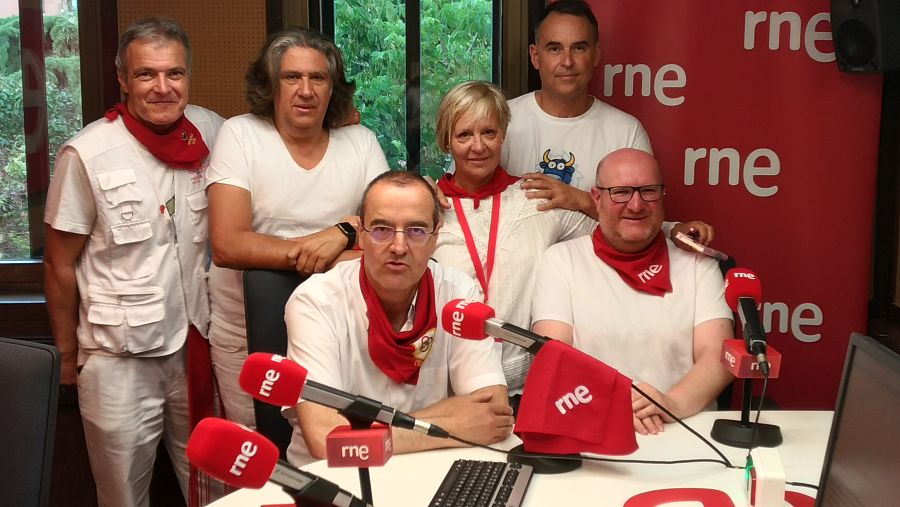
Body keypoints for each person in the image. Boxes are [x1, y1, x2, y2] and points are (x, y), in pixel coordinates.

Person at [43, 18, 223, 507]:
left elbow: (283, 137)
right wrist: (65, 356)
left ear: (189, 76)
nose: (163, 88)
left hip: (197, 343)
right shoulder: (86, 153)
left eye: (175, 74)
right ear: (122, 79)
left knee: (213, 486)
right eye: (147, 75)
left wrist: (342, 118)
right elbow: (60, 264)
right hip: (117, 357)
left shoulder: (213, 131)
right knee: (122, 493)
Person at [206, 27, 389, 429]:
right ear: (271, 85)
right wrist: (325, 244)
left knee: (333, 446)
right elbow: (229, 244)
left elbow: (387, 236)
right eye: (292, 77)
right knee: (263, 457)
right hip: (247, 332)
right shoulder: (240, 135)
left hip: (340, 324)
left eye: (317, 78)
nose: (305, 90)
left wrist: (340, 232)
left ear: (332, 88)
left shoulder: (360, 142)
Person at [284, 171, 513, 467]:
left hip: (426, 469)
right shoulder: (315, 302)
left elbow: (493, 412)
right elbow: (327, 440)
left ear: (436, 237)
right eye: (381, 229)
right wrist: (454, 425)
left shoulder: (458, 294)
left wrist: (360, 429)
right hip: (335, 479)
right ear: (362, 236)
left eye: (416, 230)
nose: (399, 247)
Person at [531, 148, 734, 436]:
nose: (636, 205)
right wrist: (613, 401)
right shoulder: (561, 260)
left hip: (687, 430)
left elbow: (719, 356)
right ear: (597, 198)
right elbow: (555, 356)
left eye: (648, 191)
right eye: (621, 192)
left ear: (662, 197)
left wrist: (668, 403)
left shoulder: (698, 263)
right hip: (593, 425)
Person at [502, 0, 711, 248]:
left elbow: (640, 217)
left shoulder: (625, 131)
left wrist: (578, 199)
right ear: (536, 57)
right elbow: (462, 201)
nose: (567, 61)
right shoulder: (502, 121)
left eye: (579, 48)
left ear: (596, 54)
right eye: (555, 48)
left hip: (599, 279)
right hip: (515, 276)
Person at [431, 81, 594, 397]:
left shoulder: (536, 197)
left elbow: (617, 234)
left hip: (528, 386)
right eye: (464, 135)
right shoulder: (426, 207)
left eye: (488, 132)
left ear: (503, 134)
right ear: (446, 141)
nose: (478, 146)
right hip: (449, 386)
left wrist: (672, 230)